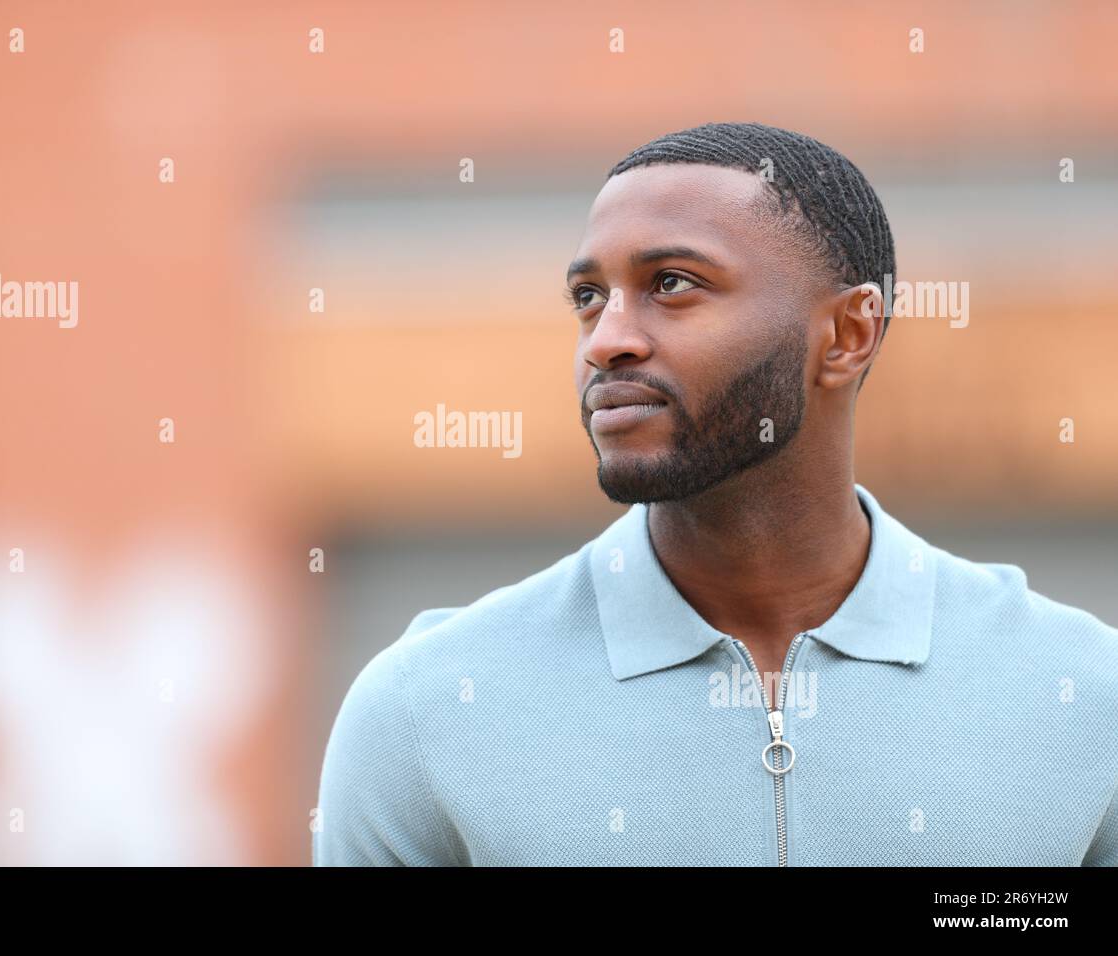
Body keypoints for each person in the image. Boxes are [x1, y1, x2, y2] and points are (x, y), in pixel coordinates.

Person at [312, 122, 1118, 866]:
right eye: (588, 297)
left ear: (848, 334)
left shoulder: (1080, 692)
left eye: (671, 283)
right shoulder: (427, 709)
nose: (607, 340)